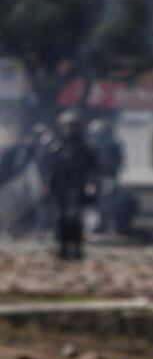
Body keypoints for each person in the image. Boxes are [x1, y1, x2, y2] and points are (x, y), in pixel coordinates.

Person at [42, 111, 97, 261]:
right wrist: (47, 184)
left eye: (73, 126)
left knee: (75, 218)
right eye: (68, 126)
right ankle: (63, 248)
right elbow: (50, 168)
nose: (70, 129)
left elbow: (93, 168)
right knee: (61, 218)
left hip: (77, 187)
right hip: (61, 188)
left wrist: (90, 183)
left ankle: (77, 248)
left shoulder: (85, 148)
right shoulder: (56, 147)